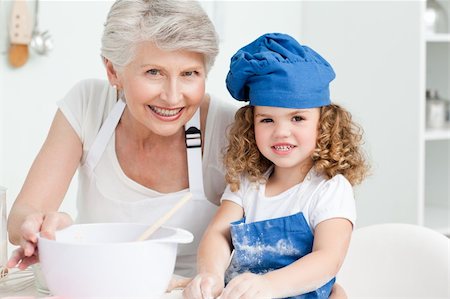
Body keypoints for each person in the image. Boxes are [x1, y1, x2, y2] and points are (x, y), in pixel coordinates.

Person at [6, 0, 239, 280]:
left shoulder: (229, 129)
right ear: (113, 71)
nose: (173, 96)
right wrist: (38, 226)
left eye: (189, 74)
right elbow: (22, 214)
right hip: (94, 284)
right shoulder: (88, 104)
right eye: (154, 72)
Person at [183, 33, 369, 299]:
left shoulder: (329, 189)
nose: (281, 132)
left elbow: (328, 258)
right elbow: (218, 235)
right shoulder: (248, 184)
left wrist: (270, 285)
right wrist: (210, 274)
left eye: (297, 118)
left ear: (324, 124)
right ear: (251, 125)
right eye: (267, 120)